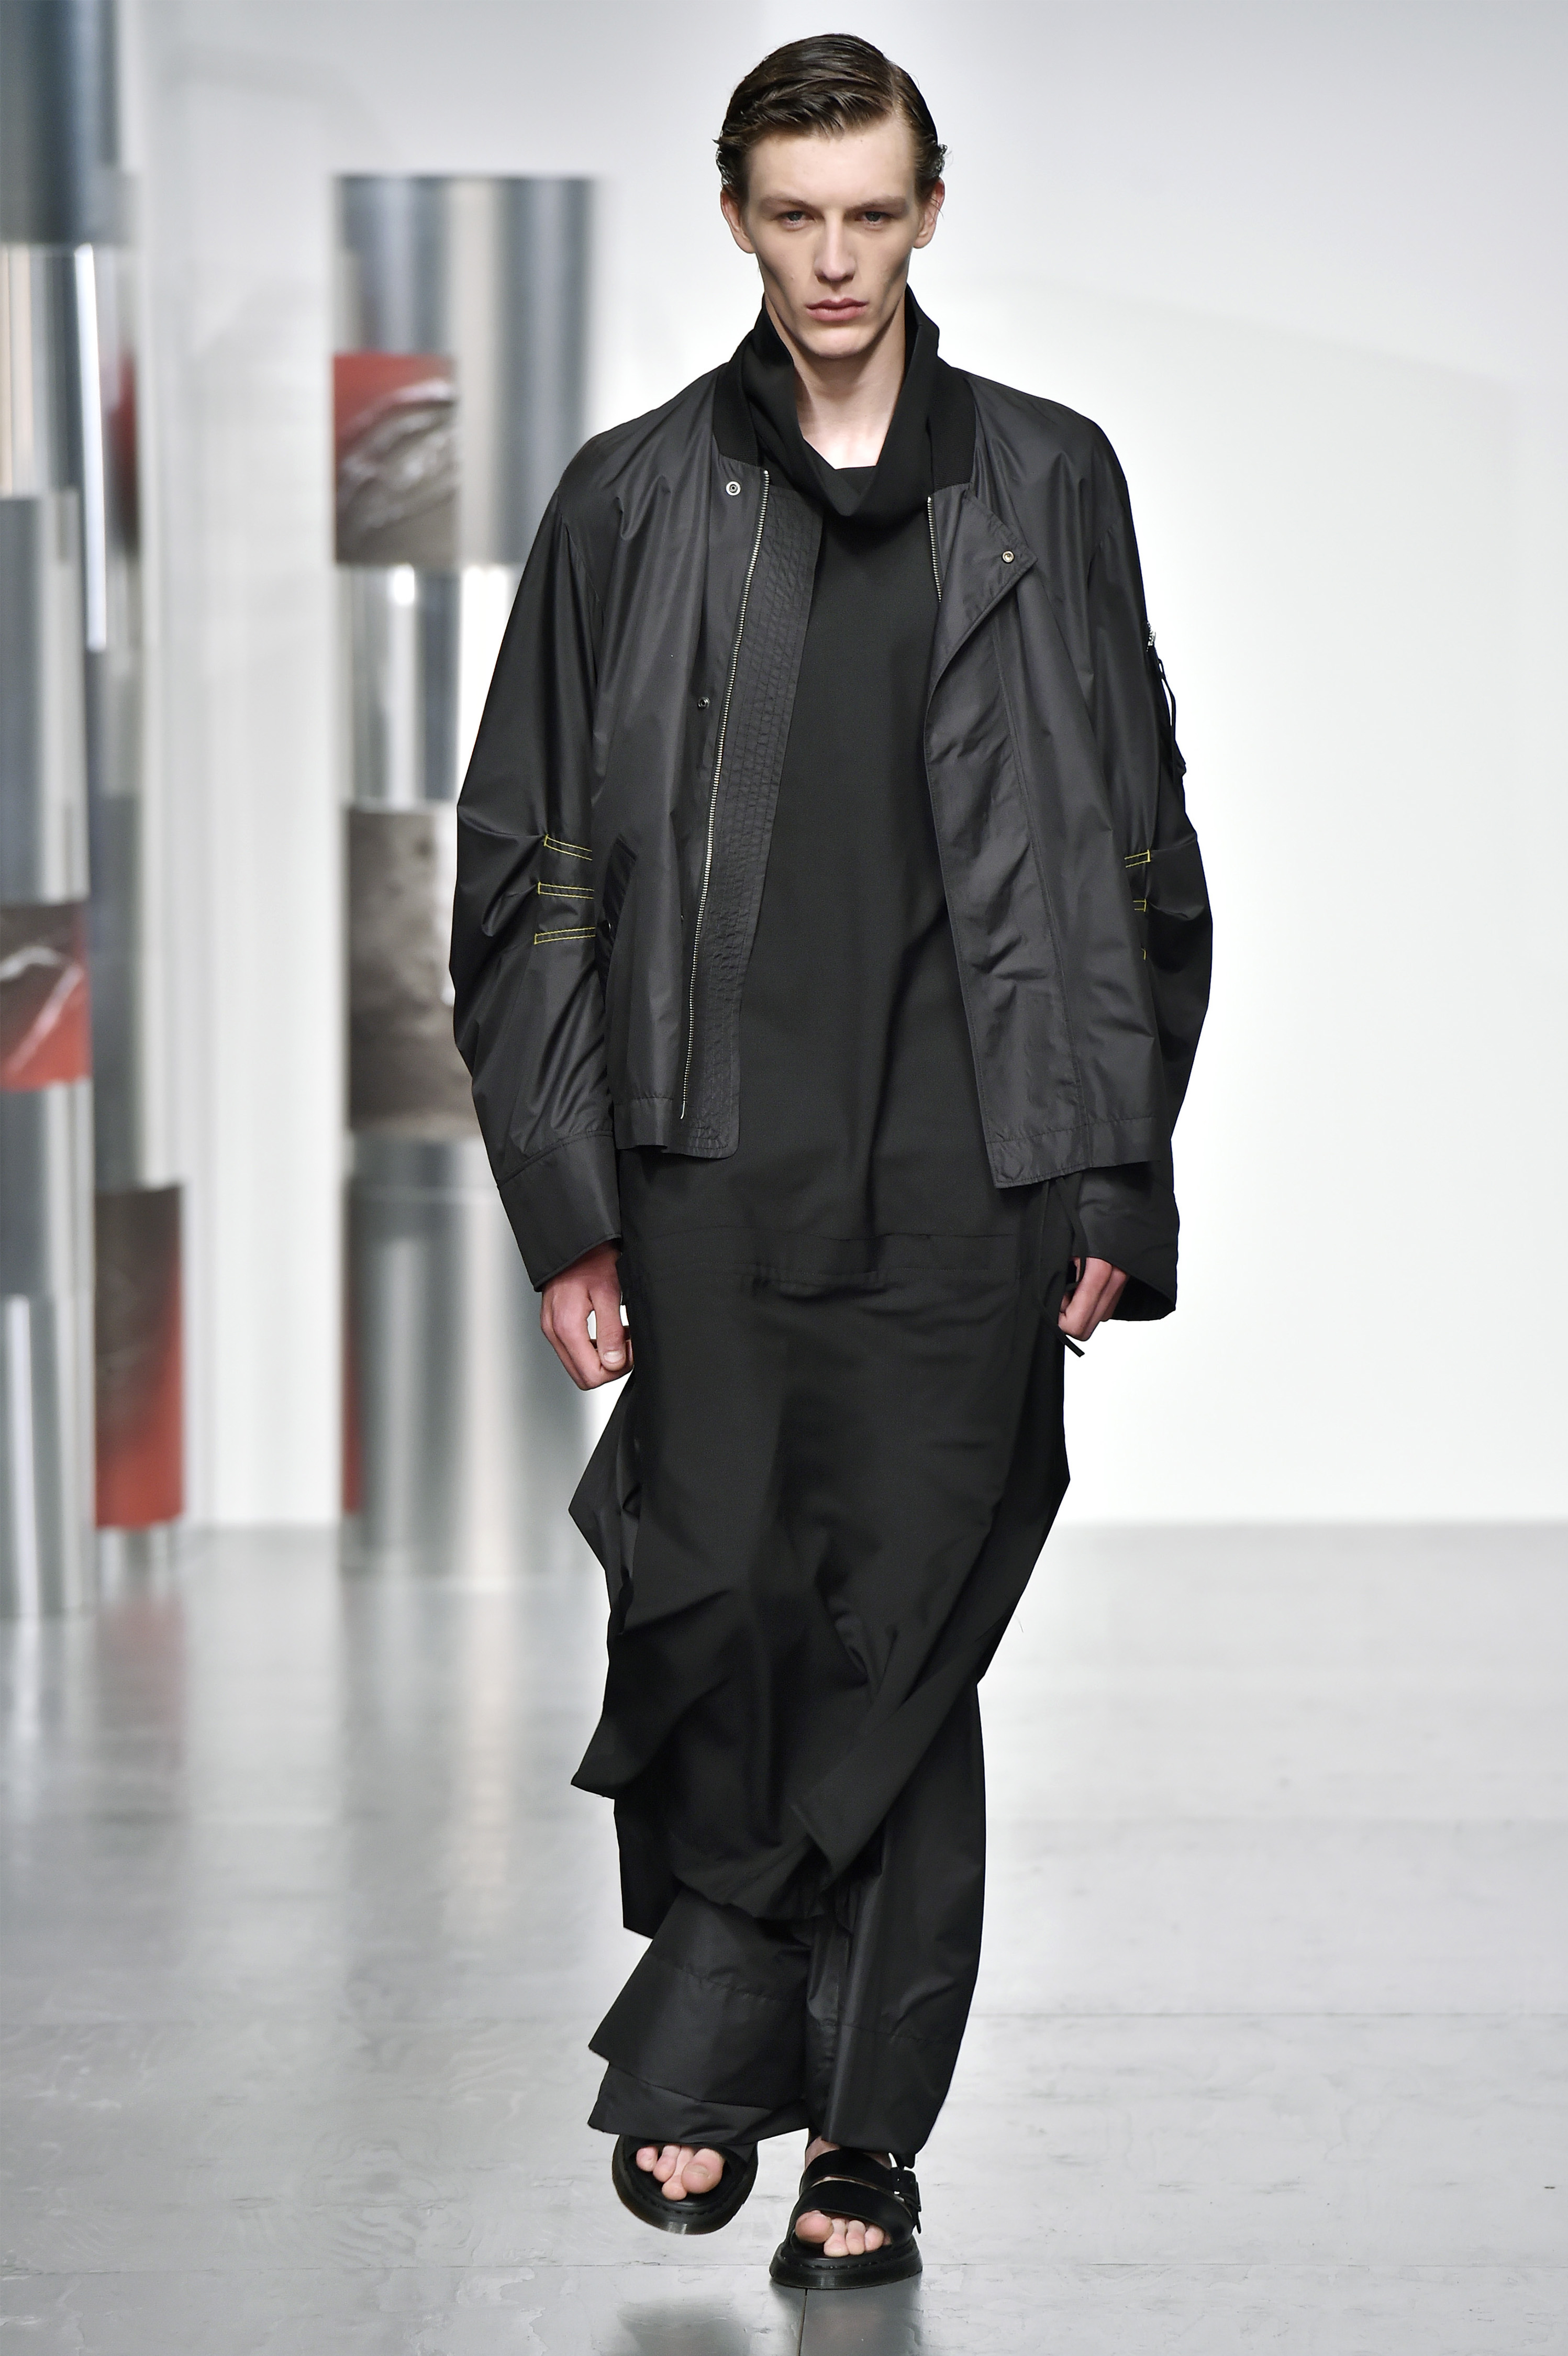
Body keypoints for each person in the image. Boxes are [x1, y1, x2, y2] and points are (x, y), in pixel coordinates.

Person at [450, 33, 1210, 2293]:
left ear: (928, 209)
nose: (835, 259)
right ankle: (725, 2021)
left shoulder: (1045, 480)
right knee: (715, 1605)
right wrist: (564, 1198)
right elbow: (527, 870)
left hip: (974, 1162)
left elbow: (1134, 856)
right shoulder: (630, 499)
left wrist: (1110, 1169)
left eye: (871, 212)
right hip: (707, 1158)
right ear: (736, 219)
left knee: (905, 1631)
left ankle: (840, 2135)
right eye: (793, 215)